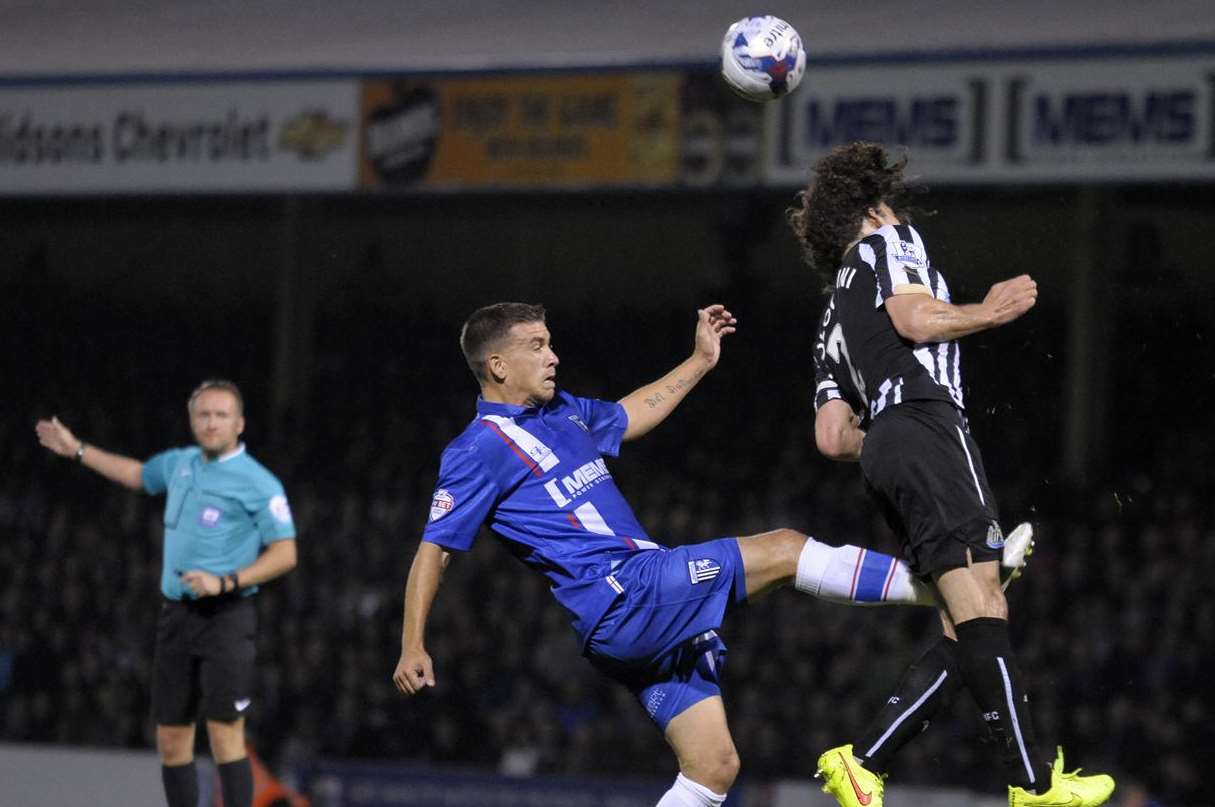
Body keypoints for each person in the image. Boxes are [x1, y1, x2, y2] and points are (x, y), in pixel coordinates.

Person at [393, 301, 1014, 807]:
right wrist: (413, 644)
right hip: (625, 593)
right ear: (497, 364)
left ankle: (952, 585)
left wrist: (698, 361)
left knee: (713, 768)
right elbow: (435, 551)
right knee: (783, 549)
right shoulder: (476, 450)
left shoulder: (559, 413)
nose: (553, 355)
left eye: (551, 341)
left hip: (633, 620)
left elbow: (631, 415)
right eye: (537, 346)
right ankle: (946, 584)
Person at [788, 141, 1115, 807]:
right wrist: (985, 313)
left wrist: (885, 437)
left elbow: (830, 437)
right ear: (872, 205)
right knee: (982, 608)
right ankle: (1032, 783)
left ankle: (866, 760)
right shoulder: (887, 242)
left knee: (962, 618)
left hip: (886, 446)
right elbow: (914, 317)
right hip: (928, 425)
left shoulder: (830, 318)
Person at [35, 379, 298, 807]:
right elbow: (138, 475)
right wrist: (78, 450)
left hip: (226, 616)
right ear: (193, 420)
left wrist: (227, 581)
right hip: (176, 615)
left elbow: (287, 552)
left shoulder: (259, 482)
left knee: (224, 733)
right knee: (172, 738)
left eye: (221, 415)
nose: (212, 422)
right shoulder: (180, 463)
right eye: (204, 414)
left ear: (240, 423)